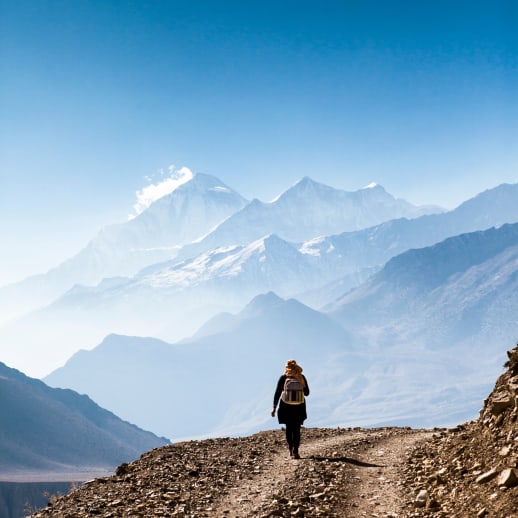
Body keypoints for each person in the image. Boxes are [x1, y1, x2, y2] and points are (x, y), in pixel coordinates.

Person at [271, 359, 310, 459]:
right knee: (296, 428)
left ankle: (290, 448)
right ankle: (296, 450)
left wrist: (274, 408)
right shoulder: (301, 377)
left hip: (286, 406)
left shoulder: (283, 377)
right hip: (299, 406)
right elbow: (307, 393)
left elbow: (277, 393)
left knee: (289, 427)